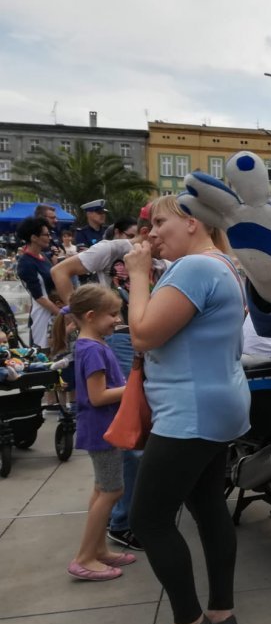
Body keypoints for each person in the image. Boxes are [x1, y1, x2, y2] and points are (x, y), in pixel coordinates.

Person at [124, 195, 249, 624]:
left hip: (190, 413)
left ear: (193, 222)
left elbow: (142, 334)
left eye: (161, 222)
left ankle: (189, 621)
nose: (152, 233)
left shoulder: (195, 268)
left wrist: (139, 275)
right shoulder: (225, 265)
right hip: (216, 406)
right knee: (207, 505)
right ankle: (222, 612)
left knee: (148, 519)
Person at [51, 204, 168, 552]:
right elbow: (61, 270)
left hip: (141, 339)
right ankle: (122, 521)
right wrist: (81, 319)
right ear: (146, 232)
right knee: (127, 436)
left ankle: (116, 522)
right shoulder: (115, 249)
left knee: (134, 436)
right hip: (119, 339)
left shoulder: (165, 261)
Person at [65, 285, 133, 581]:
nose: (117, 320)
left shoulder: (92, 345)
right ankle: (84, 558)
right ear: (91, 316)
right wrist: (134, 388)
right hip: (103, 429)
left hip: (102, 428)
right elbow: (97, 397)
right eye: (112, 314)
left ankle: (98, 549)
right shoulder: (93, 349)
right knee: (112, 491)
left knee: (101, 488)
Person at [15, 216, 61, 350]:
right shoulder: (25, 263)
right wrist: (61, 313)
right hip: (42, 315)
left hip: (54, 310)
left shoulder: (43, 256)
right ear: (34, 238)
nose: (49, 238)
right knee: (44, 351)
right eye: (46, 235)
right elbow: (39, 297)